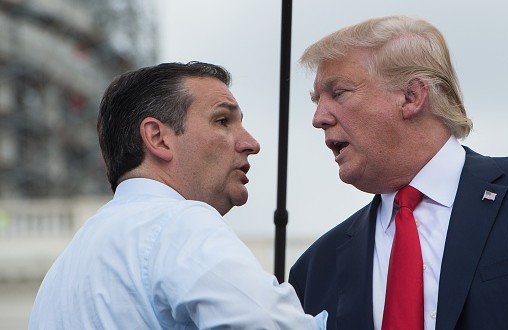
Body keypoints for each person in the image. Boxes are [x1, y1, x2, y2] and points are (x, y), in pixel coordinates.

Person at [288, 15, 508, 330]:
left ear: (411, 97)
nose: (318, 117)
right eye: (316, 100)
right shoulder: (315, 270)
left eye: (338, 93)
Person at [30, 62, 327, 329]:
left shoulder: (62, 273)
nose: (251, 143)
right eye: (223, 121)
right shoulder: (179, 223)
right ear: (158, 138)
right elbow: (270, 324)